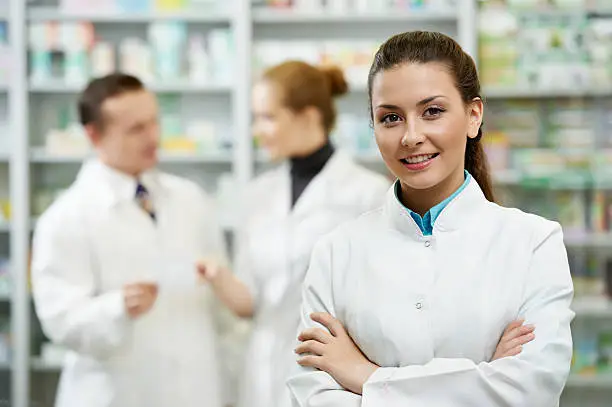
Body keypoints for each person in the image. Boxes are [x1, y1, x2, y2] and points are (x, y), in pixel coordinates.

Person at [288, 31, 574, 406]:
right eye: (390, 117)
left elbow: (528, 390)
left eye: (432, 112)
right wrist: (482, 377)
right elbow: (313, 396)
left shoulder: (534, 242)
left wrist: (366, 377)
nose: (411, 136)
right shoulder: (335, 252)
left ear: (473, 116)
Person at [196, 61, 391, 407]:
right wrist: (218, 277)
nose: (258, 130)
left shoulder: (368, 195)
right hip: (261, 373)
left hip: (332, 379)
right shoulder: (256, 196)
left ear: (309, 116)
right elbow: (250, 304)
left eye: (268, 117)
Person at [31, 73, 227, 407]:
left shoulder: (189, 198)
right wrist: (117, 307)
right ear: (94, 135)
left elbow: (220, 303)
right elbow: (60, 320)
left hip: (196, 390)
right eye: (136, 129)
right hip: (114, 394)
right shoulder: (65, 218)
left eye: (154, 122)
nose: (153, 137)